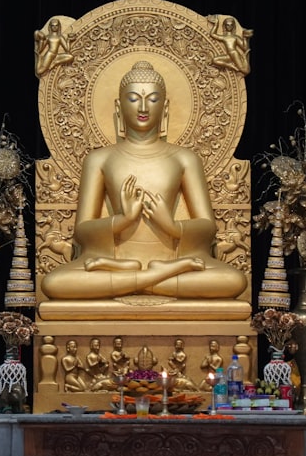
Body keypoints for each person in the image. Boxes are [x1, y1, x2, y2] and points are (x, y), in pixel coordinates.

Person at [39, 60, 247, 300]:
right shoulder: (99, 159)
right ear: (119, 107)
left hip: (168, 258)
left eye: (154, 99)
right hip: (114, 261)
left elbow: (208, 227)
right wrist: (121, 220)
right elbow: (82, 230)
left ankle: (137, 279)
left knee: (233, 280)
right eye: (134, 98)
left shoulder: (185, 159)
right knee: (54, 283)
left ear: (165, 108)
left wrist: (173, 226)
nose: (144, 107)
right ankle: (155, 276)